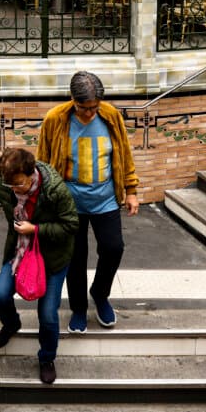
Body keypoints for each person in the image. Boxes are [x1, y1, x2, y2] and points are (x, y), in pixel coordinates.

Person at [37, 71, 140, 334]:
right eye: (85, 108)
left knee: (113, 248)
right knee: (75, 257)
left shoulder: (111, 116)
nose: (90, 113)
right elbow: (43, 163)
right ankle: (79, 309)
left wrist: (131, 190)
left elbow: (124, 154)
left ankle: (100, 293)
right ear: (73, 100)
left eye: (94, 107)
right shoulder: (55, 119)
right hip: (69, 202)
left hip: (105, 198)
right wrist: (45, 200)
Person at [0, 147, 78, 384]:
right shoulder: (6, 184)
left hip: (51, 258)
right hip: (19, 253)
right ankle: (12, 323)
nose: (14, 190)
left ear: (31, 173)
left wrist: (36, 229)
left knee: (48, 315)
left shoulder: (54, 189)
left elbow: (72, 224)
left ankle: (46, 358)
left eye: (19, 185)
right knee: (0, 295)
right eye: (9, 186)